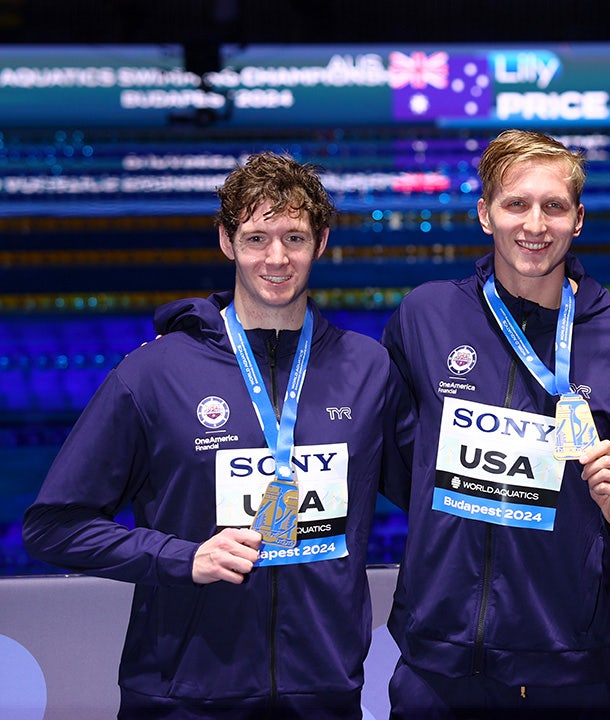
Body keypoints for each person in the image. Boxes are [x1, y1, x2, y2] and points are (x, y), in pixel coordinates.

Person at [22, 151, 415, 719]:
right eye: (257, 238)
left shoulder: (367, 369)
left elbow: (435, 496)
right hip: (185, 695)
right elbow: (53, 527)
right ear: (227, 241)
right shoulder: (154, 374)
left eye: (294, 238)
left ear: (321, 242)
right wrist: (181, 557)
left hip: (325, 693)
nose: (276, 258)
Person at [380, 129, 610, 719]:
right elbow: (389, 447)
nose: (535, 224)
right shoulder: (427, 317)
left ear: (579, 219)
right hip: (438, 665)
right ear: (484, 213)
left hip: (569, 668)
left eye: (554, 206)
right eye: (516, 203)